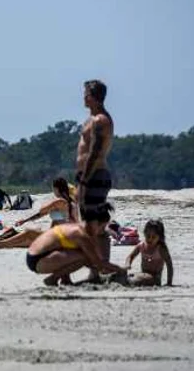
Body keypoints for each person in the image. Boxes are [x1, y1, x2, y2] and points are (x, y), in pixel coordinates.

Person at [21, 204, 126, 286]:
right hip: (38, 259)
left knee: (78, 253)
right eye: (102, 227)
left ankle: (65, 279)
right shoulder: (81, 234)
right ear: (94, 223)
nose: (102, 231)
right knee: (84, 258)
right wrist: (120, 270)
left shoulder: (78, 226)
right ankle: (52, 279)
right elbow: (97, 262)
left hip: (35, 255)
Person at [75, 80, 115, 283]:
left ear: (93, 96)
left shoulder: (101, 120)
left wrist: (84, 181)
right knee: (96, 224)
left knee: (92, 226)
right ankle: (100, 269)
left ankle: (96, 271)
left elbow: (95, 153)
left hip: (94, 176)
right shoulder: (91, 119)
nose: (83, 97)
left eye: (86, 93)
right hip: (88, 175)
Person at [0, 178, 77, 250]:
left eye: (53, 188)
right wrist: (25, 221)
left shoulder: (60, 201)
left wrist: (50, 202)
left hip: (59, 237)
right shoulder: (67, 201)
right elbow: (41, 215)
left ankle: (1, 243)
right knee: (23, 242)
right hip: (56, 235)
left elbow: (42, 209)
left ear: (56, 188)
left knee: (28, 233)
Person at [125, 220, 174, 286]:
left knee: (139, 280)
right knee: (132, 276)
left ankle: (130, 282)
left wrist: (169, 282)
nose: (150, 239)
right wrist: (128, 264)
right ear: (144, 233)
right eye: (148, 236)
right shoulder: (141, 245)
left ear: (160, 237)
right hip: (143, 274)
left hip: (155, 278)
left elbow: (169, 264)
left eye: (153, 237)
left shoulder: (161, 249)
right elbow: (130, 256)